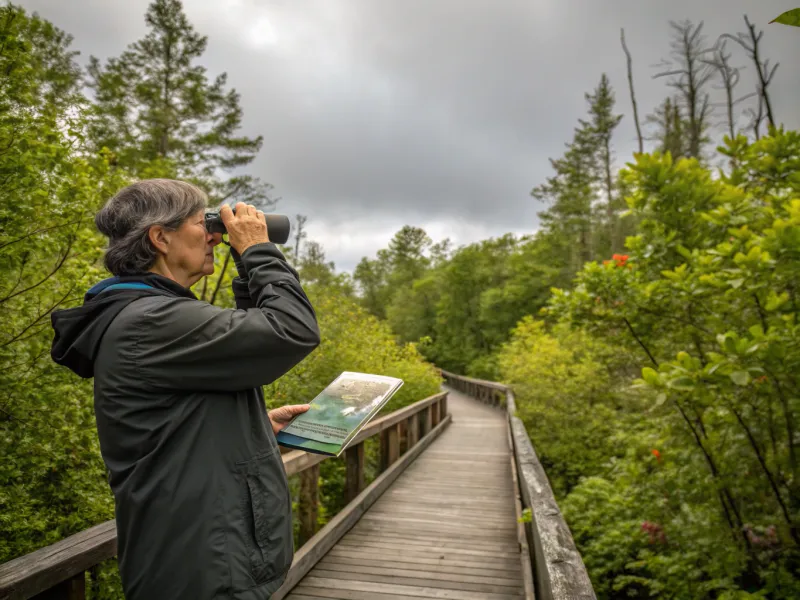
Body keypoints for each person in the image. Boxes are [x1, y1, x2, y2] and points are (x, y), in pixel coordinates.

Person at [50, 179, 321, 600]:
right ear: (160, 237)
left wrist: (254, 427)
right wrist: (258, 250)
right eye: (204, 223)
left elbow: (240, 366)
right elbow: (292, 331)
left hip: (202, 560)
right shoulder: (151, 321)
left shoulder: (152, 317)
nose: (215, 234)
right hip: (201, 569)